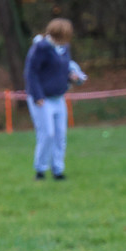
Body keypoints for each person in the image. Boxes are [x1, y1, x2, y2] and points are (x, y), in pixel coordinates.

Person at [24, 18, 86, 180]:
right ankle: (40, 169)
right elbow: (31, 73)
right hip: (42, 99)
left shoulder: (64, 48)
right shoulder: (40, 48)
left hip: (59, 98)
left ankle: (58, 169)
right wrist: (37, 96)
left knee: (60, 135)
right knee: (48, 134)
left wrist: (71, 77)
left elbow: (62, 69)